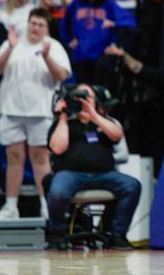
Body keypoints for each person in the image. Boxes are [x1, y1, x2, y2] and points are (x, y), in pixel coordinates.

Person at [0, 8, 71, 221]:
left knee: (41, 159)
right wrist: (9, 47)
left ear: (46, 28)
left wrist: (46, 57)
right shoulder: (13, 42)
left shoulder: (53, 46)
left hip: (41, 110)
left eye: (40, 25)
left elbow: (61, 75)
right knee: (14, 158)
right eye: (32, 23)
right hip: (10, 108)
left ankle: (47, 205)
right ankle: (11, 206)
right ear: (27, 24)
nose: (35, 28)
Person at [47, 83, 140, 250]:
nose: (83, 99)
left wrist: (93, 114)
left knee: (132, 185)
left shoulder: (104, 121)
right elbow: (57, 148)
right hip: (71, 174)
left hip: (104, 174)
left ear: (95, 100)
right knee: (57, 191)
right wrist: (62, 116)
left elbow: (117, 135)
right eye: (79, 96)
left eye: (87, 96)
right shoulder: (65, 123)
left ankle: (117, 235)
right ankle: (58, 234)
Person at [60, 0, 136, 83]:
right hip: (80, 55)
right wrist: (68, 41)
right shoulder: (75, 4)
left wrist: (114, 23)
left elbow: (130, 20)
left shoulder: (108, 5)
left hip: (101, 56)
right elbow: (64, 25)